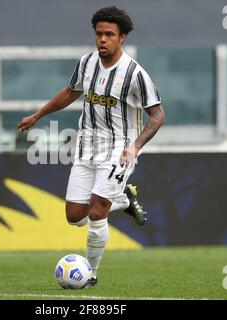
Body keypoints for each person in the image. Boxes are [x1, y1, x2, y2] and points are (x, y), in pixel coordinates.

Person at [18, 6, 165, 286]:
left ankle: (91, 273)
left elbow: (158, 115)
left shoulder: (134, 74)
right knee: (74, 216)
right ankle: (124, 200)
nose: (102, 40)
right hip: (86, 147)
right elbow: (71, 92)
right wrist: (38, 115)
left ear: (122, 38)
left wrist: (135, 146)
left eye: (109, 34)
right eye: (99, 34)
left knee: (97, 211)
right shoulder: (86, 63)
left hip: (119, 150)